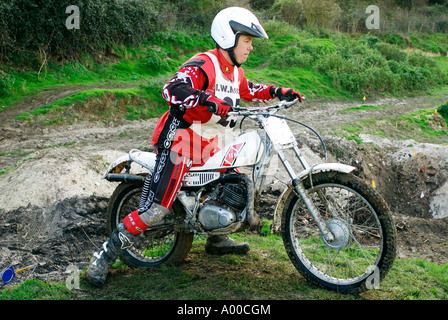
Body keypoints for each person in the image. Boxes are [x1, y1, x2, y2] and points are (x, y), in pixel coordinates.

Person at [87, 6, 302, 286]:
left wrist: (277, 91)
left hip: (214, 141)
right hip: (181, 141)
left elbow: (248, 90)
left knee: (234, 178)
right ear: (229, 37)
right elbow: (172, 88)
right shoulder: (203, 64)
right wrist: (207, 100)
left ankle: (217, 236)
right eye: (247, 40)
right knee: (156, 210)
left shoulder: (234, 72)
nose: (250, 47)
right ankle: (105, 255)